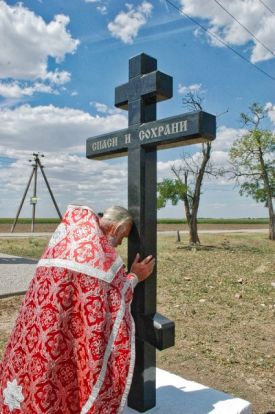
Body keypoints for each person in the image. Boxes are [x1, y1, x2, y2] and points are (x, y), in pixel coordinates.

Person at [0, 204, 155, 414]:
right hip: (60, 331)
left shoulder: (66, 238)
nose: (119, 243)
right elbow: (115, 297)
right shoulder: (100, 256)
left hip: (35, 333)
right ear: (116, 228)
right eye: (123, 236)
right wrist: (135, 275)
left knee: (38, 374)